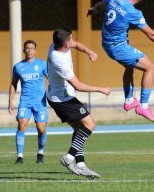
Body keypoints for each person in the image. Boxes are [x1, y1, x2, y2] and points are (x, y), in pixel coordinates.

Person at [87, 0, 154, 122]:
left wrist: (94, 9)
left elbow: (102, 4)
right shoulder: (134, 12)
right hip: (118, 47)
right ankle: (143, 106)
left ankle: (129, 100)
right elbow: (151, 35)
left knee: (130, 66)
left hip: (107, 44)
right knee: (150, 68)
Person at [47, 28, 110, 179]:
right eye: (70, 39)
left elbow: (76, 44)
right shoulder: (58, 60)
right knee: (90, 124)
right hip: (63, 99)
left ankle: (80, 165)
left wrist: (89, 52)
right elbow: (78, 85)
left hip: (57, 97)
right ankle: (69, 158)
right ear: (65, 44)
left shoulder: (56, 45)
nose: (72, 40)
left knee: (79, 128)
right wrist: (101, 89)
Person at [8, 40, 48, 164]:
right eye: (27, 48)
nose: (29, 50)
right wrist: (10, 102)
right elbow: (13, 84)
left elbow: (51, 79)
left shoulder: (42, 64)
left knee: (41, 129)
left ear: (35, 51)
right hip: (25, 101)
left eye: (32, 48)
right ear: (24, 50)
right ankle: (20, 156)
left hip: (40, 102)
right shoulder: (18, 67)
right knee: (21, 123)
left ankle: (40, 153)